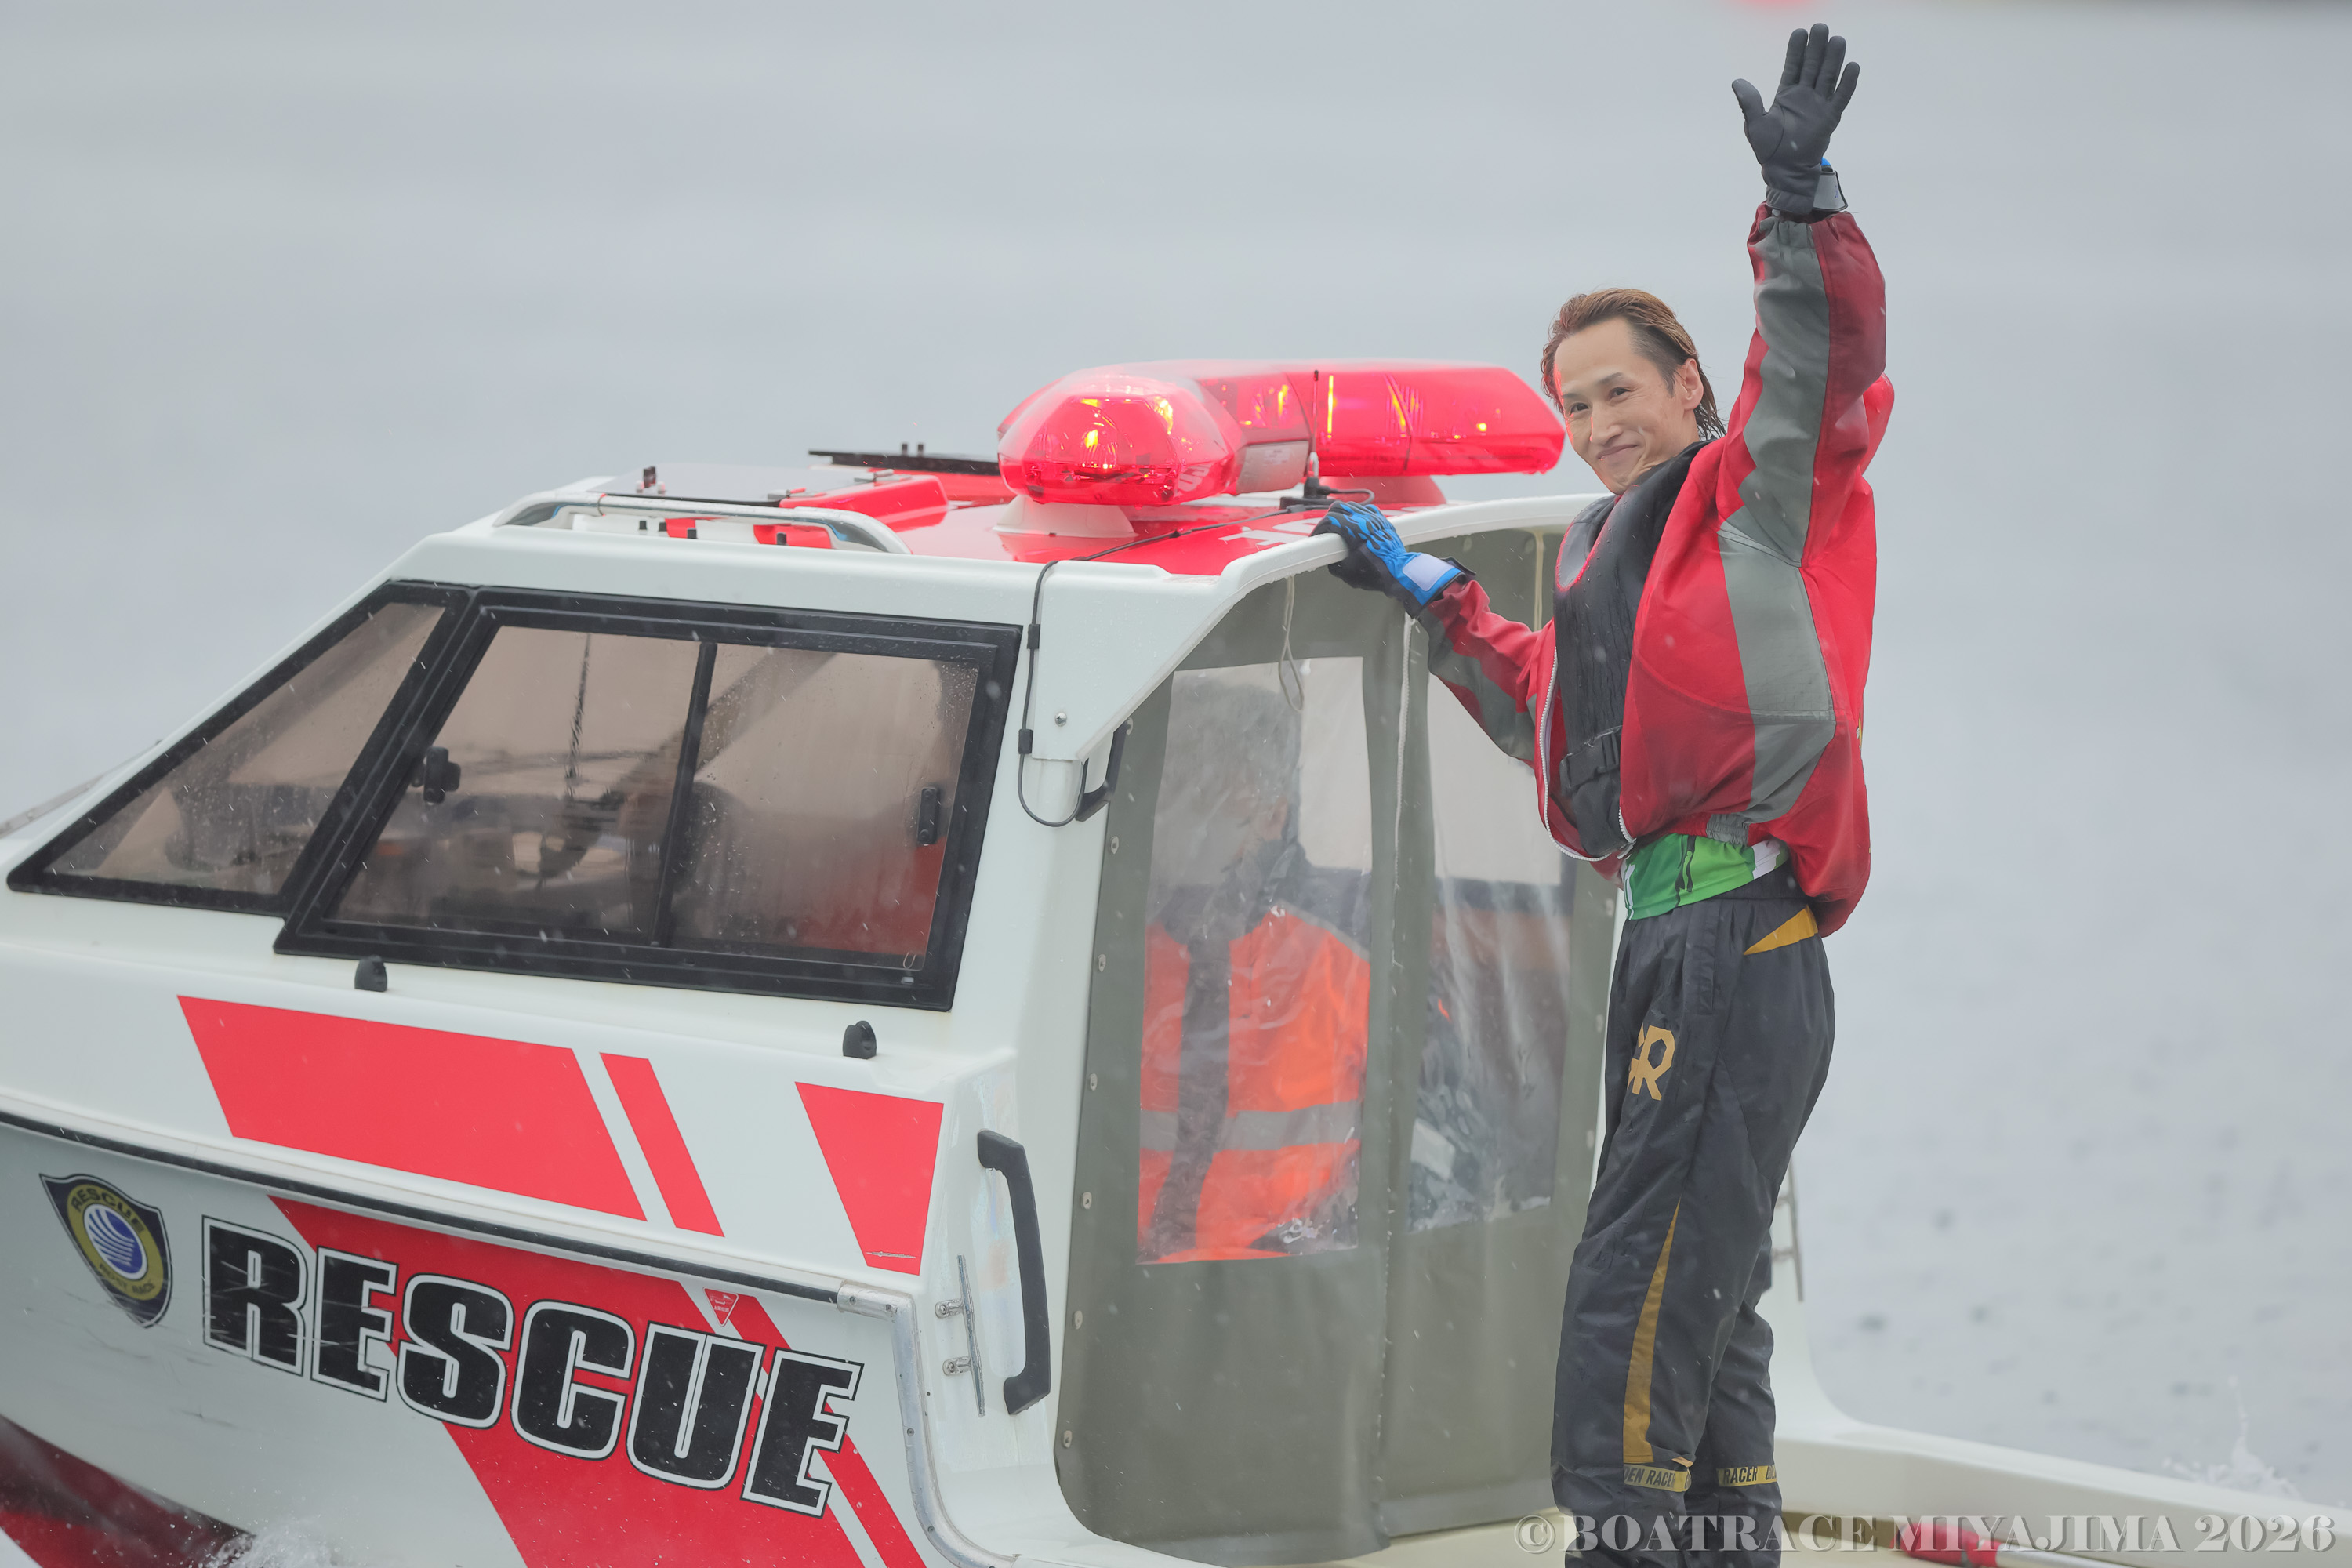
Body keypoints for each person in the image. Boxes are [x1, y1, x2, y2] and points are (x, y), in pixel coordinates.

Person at [1316, 24, 1886, 1566]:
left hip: (1739, 935)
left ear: (1691, 383)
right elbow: (1559, 721)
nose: (1598, 425)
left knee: (1633, 1280)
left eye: (1620, 390)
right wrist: (1425, 590)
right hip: (1678, 942)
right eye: (1573, 405)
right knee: (1709, 1283)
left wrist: (1802, 206)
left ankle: (1617, 1542)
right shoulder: (1601, 556)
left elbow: (1823, 362)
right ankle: (1725, 1540)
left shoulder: (1762, 495)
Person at [1137, 673, 1370, 1264]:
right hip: (1119, 1283)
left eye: (1215, 796)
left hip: (1283, 1293)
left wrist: (1330, 1237)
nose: (1191, 818)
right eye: (1180, 790)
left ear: (1274, 816)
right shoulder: (1111, 946)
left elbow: (1438, 1144)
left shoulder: (1347, 959)